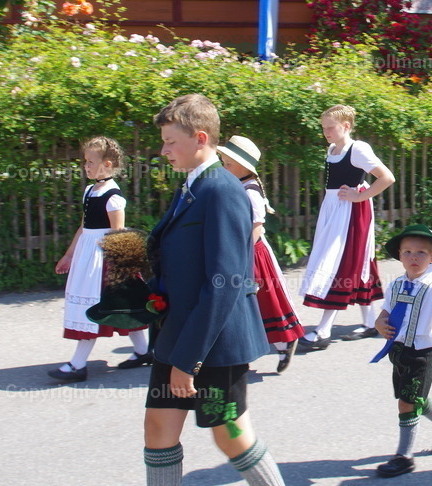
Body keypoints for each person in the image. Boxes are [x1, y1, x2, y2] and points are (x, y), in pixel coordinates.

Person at [144, 94, 284, 486]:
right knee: (158, 427)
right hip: (179, 332)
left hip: (212, 343)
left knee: (232, 434)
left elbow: (226, 283)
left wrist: (188, 360)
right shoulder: (192, 185)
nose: (163, 149)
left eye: (171, 141)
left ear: (200, 138)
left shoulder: (221, 190)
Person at [50, 136, 149, 382]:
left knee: (95, 307)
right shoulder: (89, 191)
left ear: (106, 163)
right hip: (86, 255)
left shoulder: (113, 196)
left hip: (103, 259)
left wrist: (119, 269)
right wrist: (70, 254)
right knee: (120, 308)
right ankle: (144, 351)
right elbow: (84, 227)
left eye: (90, 162)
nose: (86, 166)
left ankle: (77, 365)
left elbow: (118, 233)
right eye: (85, 162)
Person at [372, 224, 432, 478]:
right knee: (414, 398)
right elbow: (386, 311)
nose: (414, 258)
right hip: (398, 351)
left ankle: (404, 456)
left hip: (421, 354)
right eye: (408, 252)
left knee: (407, 403)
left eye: (421, 253)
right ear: (400, 255)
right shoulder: (395, 285)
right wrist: (379, 322)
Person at [297, 104, 396, 349]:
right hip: (334, 209)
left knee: (338, 262)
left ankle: (323, 330)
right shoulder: (332, 149)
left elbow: (386, 177)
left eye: (330, 128)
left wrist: (359, 197)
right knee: (356, 262)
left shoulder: (358, 149)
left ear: (346, 126)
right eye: (324, 128)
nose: (326, 132)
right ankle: (370, 321)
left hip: (351, 212)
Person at [217, 135, 304, 373]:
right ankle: (240, 351)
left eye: (228, 164)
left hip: (251, 253)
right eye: (223, 163)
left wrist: (241, 256)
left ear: (245, 166)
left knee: (263, 300)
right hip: (239, 249)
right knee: (245, 302)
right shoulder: (237, 185)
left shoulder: (251, 191)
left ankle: (284, 341)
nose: (225, 168)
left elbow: (256, 226)